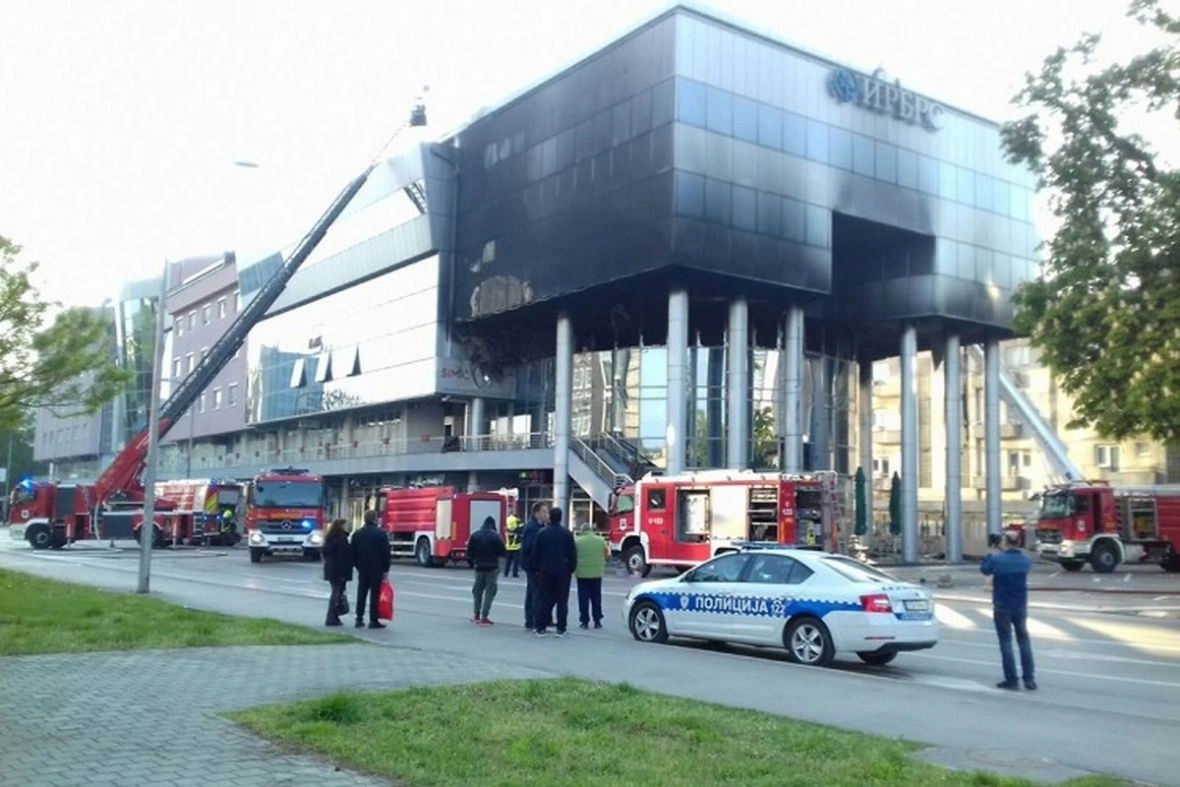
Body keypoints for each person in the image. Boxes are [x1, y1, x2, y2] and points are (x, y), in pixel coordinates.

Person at [981, 529, 1037, 690]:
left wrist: (991, 553)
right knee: (1024, 641)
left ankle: (1011, 680)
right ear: (1018, 542)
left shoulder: (997, 559)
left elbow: (985, 569)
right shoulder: (1025, 560)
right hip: (1020, 606)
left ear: (1004, 542)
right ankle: (1029, 678)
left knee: (1006, 643)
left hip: (1002, 605)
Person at [532, 506, 577, 638]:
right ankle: (561, 629)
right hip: (562, 571)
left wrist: (536, 569)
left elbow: (536, 553)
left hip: (545, 571)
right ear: (561, 518)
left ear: (550, 517)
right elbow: (572, 554)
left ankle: (540, 628)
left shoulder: (542, 533)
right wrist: (571, 568)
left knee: (544, 600)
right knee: (562, 601)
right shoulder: (567, 534)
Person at [351, 509, 391, 629]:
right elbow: (385, 553)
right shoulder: (380, 533)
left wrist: (357, 565)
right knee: (375, 595)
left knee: (361, 593)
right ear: (375, 519)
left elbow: (353, 552)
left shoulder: (357, 534)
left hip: (363, 568)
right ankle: (373, 620)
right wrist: (385, 569)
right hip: (377, 568)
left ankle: (359, 618)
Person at [467, 515, 507, 625]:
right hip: (492, 567)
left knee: (477, 591)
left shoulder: (475, 535)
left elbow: (469, 553)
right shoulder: (496, 536)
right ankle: (484, 616)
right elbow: (502, 552)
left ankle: (476, 615)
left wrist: (475, 561)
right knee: (490, 592)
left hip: (479, 567)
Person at [518, 502, 549, 630]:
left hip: (535, 564)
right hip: (532, 565)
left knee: (533, 591)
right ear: (537, 513)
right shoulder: (532, 527)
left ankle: (533, 618)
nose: (546, 514)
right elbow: (529, 547)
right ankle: (533, 619)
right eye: (544, 512)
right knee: (535, 592)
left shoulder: (540, 526)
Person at [574, 522, 610, 629]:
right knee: (596, 598)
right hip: (597, 573)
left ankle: (584, 621)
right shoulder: (601, 540)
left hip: (582, 574)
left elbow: (573, 556)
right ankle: (597, 620)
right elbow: (607, 554)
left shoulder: (577, 542)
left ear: (582, 531)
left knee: (583, 599)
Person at [321, 518, 353, 627]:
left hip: (331, 569)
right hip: (339, 570)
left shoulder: (329, 539)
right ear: (341, 526)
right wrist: (344, 573)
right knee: (337, 593)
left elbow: (325, 553)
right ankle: (332, 617)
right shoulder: (341, 539)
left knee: (336, 592)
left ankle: (333, 616)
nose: (348, 527)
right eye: (346, 525)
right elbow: (343, 557)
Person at [503, 505, 523, 578]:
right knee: (515, 561)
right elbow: (522, 528)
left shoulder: (507, 519)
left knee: (508, 561)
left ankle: (506, 573)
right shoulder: (517, 520)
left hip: (508, 545)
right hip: (516, 546)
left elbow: (506, 528)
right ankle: (515, 573)